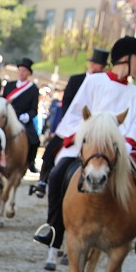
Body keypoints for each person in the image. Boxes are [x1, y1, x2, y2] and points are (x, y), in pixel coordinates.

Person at [33, 36, 136, 260]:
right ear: (125, 59)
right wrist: (91, 139)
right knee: (59, 172)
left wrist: (118, 145)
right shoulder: (94, 82)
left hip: (123, 150)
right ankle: (54, 229)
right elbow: (76, 114)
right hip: (90, 146)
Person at [30, 47, 108, 197]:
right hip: (74, 122)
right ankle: (43, 180)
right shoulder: (76, 79)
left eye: (99, 65)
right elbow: (67, 102)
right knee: (51, 148)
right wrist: (71, 121)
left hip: (96, 126)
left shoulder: (104, 83)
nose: (95, 67)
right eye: (94, 63)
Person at [2, 57, 40, 173]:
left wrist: (27, 116)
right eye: (20, 69)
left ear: (29, 73)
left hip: (23, 118)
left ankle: (30, 162)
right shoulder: (9, 85)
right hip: (8, 117)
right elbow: (2, 102)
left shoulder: (33, 89)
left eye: (25, 71)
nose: (22, 72)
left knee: (35, 140)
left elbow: (34, 109)